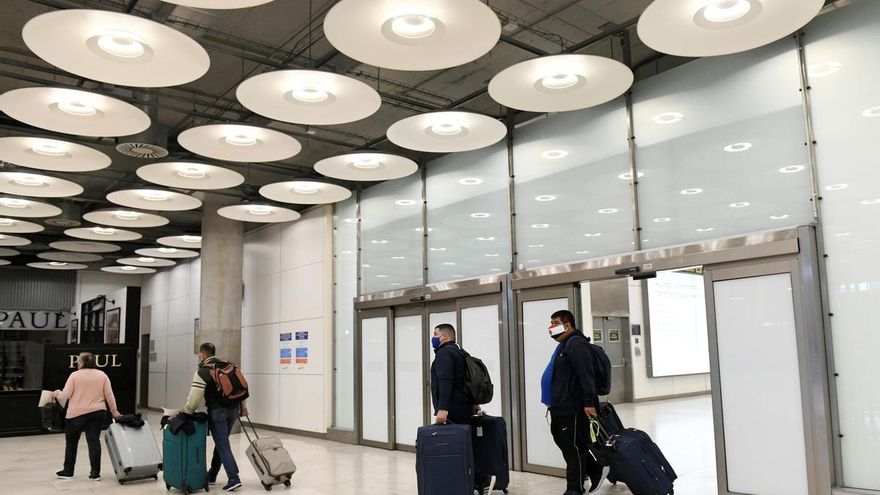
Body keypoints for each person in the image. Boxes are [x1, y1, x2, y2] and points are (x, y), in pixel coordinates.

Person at [541, 310, 610, 495]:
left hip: (572, 407)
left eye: (555, 322)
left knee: (573, 448)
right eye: (551, 322)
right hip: (559, 406)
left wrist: (589, 403)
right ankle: (595, 469)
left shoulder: (576, 345)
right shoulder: (564, 345)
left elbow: (586, 376)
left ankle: (574, 489)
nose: (551, 326)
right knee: (565, 444)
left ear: (567, 325)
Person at [180, 342, 249, 492]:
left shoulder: (203, 371)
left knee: (222, 443)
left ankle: (233, 477)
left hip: (218, 412)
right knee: (221, 441)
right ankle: (212, 475)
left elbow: (194, 399)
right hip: (234, 409)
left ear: (202, 355)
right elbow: (240, 387)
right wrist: (243, 408)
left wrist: (187, 413)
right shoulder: (228, 366)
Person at [52, 352, 122, 481]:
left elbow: (65, 395)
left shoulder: (74, 376)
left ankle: (68, 471)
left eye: (78, 361)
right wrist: (114, 411)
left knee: (71, 443)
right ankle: (95, 473)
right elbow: (109, 395)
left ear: (83, 363)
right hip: (97, 413)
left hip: (75, 415)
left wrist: (56, 393)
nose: (77, 363)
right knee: (94, 441)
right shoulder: (102, 375)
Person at [430, 323, 478, 425]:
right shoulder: (459, 351)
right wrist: (474, 402)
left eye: (436, 334)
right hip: (464, 406)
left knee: (451, 439)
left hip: (452, 409)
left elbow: (445, 380)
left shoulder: (444, 353)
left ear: (445, 336)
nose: (433, 337)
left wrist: (443, 408)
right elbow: (467, 379)